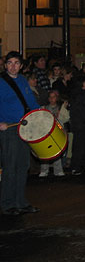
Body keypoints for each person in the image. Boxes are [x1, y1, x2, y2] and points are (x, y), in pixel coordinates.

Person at [0, 51, 41, 215]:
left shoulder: (23, 81)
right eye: (9, 63)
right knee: (10, 167)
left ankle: (21, 202)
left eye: (16, 63)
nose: (13, 66)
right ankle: (7, 204)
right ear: (5, 65)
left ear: (21, 65)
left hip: (25, 128)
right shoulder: (1, 82)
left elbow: (31, 102)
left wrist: (41, 114)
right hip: (9, 129)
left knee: (23, 166)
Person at [38, 90, 66, 178]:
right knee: (45, 151)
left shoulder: (61, 108)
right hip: (46, 132)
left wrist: (60, 115)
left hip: (56, 131)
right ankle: (44, 170)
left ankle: (58, 170)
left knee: (56, 151)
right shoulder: (44, 108)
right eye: (50, 97)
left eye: (53, 97)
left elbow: (64, 120)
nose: (51, 99)